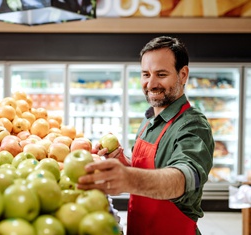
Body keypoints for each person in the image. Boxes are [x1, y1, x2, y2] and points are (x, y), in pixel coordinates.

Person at [77, 36, 214, 235]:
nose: (151, 83)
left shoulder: (192, 125)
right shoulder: (149, 119)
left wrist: (129, 179)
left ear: (183, 75)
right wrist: (124, 163)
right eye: (145, 74)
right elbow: (153, 169)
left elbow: (183, 179)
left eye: (161, 74)